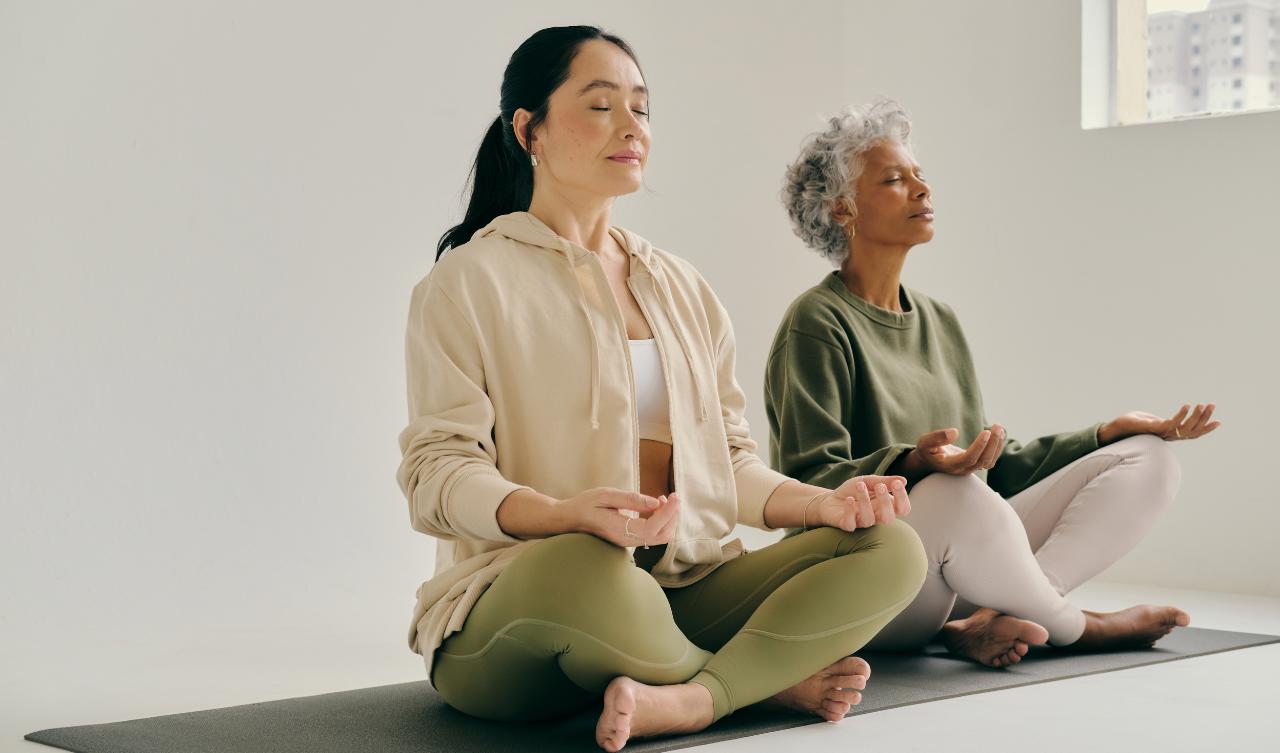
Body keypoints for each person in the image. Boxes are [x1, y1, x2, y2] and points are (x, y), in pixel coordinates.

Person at [396, 29, 927, 751]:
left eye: (641, 109)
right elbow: (437, 474)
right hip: (520, 612)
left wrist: (825, 504)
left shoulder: (681, 286)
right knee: (592, 565)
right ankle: (752, 683)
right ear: (530, 131)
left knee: (889, 546)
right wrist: (560, 515)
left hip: (678, 592)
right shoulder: (464, 284)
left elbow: (730, 462)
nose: (630, 127)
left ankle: (691, 698)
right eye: (600, 104)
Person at [766, 98, 1219, 668]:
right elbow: (807, 483)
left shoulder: (941, 320)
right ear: (842, 211)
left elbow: (991, 468)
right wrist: (914, 464)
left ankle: (1007, 615)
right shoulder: (815, 322)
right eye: (894, 180)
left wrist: (1106, 432)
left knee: (1149, 458)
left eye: (920, 176)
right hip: (867, 579)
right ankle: (1076, 627)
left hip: (958, 564)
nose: (922, 191)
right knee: (955, 493)